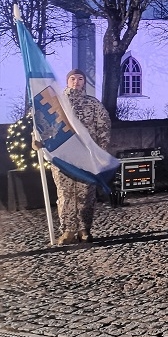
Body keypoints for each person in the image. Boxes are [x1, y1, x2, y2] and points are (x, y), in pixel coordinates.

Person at [53, 69, 112, 244]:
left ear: (84, 82)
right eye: (72, 78)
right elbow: (43, 122)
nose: (76, 82)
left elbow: (104, 127)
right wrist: (37, 139)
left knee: (86, 194)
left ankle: (84, 229)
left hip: (87, 157)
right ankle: (68, 231)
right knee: (65, 194)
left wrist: (101, 152)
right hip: (63, 157)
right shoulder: (58, 102)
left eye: (80, 79)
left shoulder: (93, 104)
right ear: (67, 81)